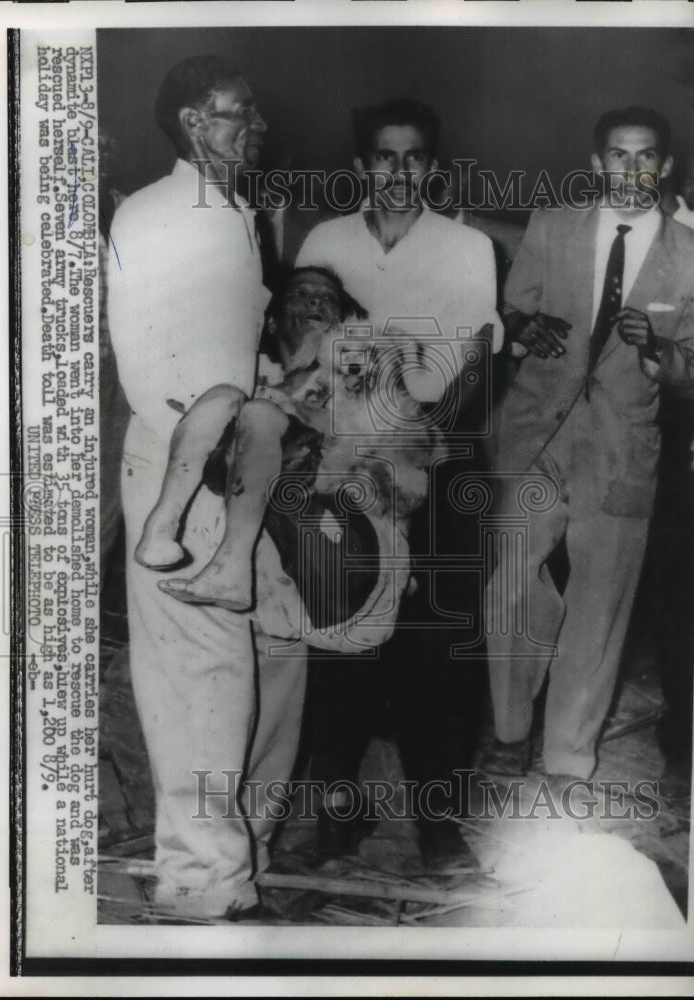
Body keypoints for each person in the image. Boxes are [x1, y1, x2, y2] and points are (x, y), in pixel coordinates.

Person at [107, 55, 306, 921]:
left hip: (230, 458)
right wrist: (205, 473)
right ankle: (198, 878)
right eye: (239, 113)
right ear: (193, 121)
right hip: (180, 469)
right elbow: (149, 362)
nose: (255, 128)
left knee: (263, 651)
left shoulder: (230, 211)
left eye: (254, 113)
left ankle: (235, 849)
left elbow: (216, 342)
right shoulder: (159, 212)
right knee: (198, 674)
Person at [296, 99, 502, 866]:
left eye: (414, 156)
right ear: (361, 167)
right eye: (384, 156)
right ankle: (335, 818)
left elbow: (472, 364)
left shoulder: (467, 248)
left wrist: (417, 449)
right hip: (342, 474)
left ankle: (439, 829)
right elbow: (304, 352)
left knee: (438, 651)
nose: (399, 171)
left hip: (436, 466)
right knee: (341, 645)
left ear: (433, 167)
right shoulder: (324, 241)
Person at [482, 106, 694, 784]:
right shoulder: (552, 225)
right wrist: (524, 327)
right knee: (509, 583)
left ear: (662, 167)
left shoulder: (688, 255)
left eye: (644, 157)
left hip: (622, 449)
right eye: (617, 155)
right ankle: (510, 727)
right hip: (536, 434)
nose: (629, 170)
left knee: (600, 606)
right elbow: (514, 309)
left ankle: (567, 756)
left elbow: (690, 365)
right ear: (595, 163)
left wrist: (662, 351)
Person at [135, 265, 443, 616]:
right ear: (271, 322)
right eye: (299, 294)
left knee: (259, 414)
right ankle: (161, 528)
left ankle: (231, 570)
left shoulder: (365, 382)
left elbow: (404, 469)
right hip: (258, 514)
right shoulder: (251, 381)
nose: (314, 300)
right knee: (223, 396)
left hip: (330, 525)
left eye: (328, 298)